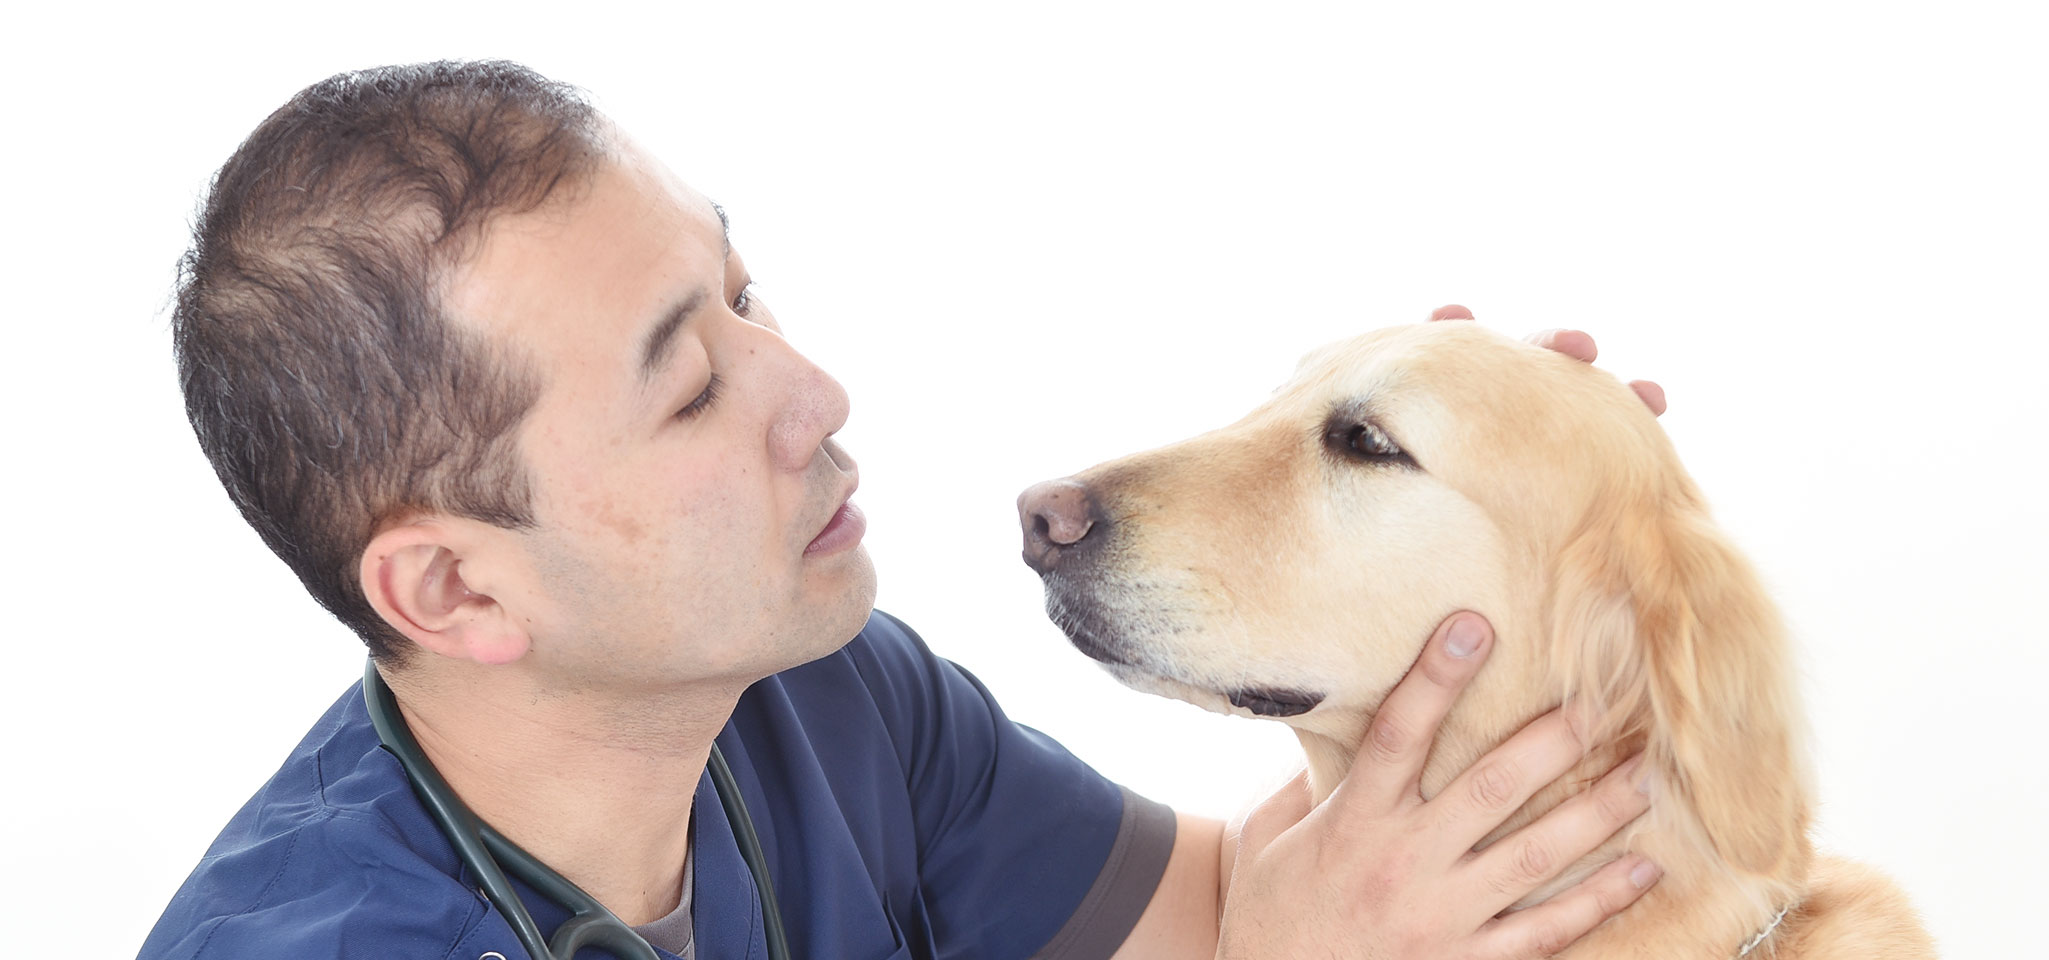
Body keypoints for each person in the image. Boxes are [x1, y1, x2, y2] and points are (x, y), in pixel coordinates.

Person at [140, 60, 1670, 960]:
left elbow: (1222, 918)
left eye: (747, 296)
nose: (813, 389)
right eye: (687, 388)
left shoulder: (814, 701)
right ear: (455, 594)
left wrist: (1455, 515)